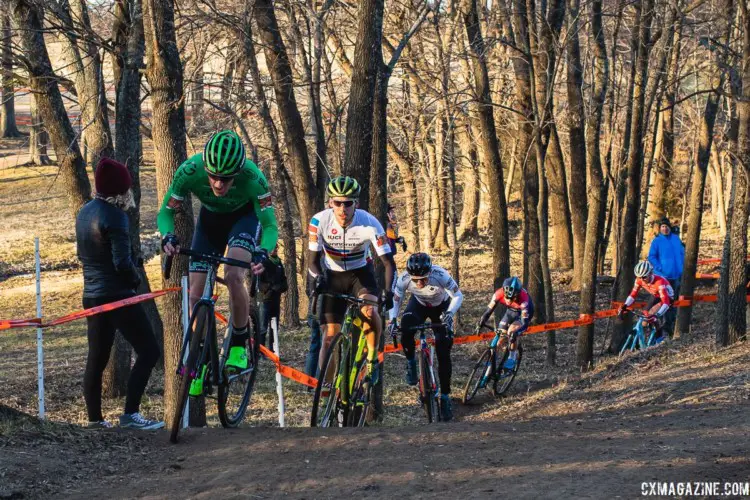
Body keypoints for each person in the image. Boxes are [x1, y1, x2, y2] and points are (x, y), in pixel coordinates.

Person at [159, 130, 278, 392]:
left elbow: (270, 226)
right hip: (210, 223)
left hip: (243, 219)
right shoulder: (189, 170)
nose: (218, 184)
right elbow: (166, 212)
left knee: (234, 275)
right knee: (195, 292)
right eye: (213, 176)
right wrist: (168, 235)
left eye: (225, 179)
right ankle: (199, 358)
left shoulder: (253, 178)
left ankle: (238, 340)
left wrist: (263, 252)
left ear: (238, 172)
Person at [76, 158, 163, 430]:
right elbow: (122, 264)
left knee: (97, 358)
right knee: (149, 351)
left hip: (92, 295)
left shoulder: (84, 212)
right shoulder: (116, 216)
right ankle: (130, 415)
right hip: (118, 296)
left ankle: (95, 420)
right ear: (120, 190)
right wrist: (135, 280)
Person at [308, 176, 397, 388]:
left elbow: (388, 264)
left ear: (355, 203)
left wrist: (388, 292)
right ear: (330, 203)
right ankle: (327, 388)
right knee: (329, 338)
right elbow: (312, 262)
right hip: (332, 276)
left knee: (369, 312)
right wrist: (317, 279)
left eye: (348, 203)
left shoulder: (370, 223)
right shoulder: (319, 221)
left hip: (360, 275)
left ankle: (372, 359)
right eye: (337, 203)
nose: (342, 208)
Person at [388, 253, 463, 421]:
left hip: (441, 307)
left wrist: (450, 313)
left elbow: (458, 295)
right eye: (415, 280)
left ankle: (445, 397)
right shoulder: (404, 278)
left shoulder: (440, 275)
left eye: (423, 279)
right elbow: (396, 299)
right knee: (406, 327)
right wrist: (392, 320)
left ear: (430, 272)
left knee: (444, 351)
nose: (419, 283)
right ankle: (411, 362)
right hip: (419, 305)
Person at [476, 277, 534, 371]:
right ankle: (491, 364)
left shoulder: (524, 301)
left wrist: (516, 333)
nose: (508, 300)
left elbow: (524, 324)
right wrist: (481, 322)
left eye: (512, 298)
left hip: (522, 314)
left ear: (517, 295)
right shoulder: (498, 294)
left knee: (511, 331)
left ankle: (512, 357)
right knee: (500, 336)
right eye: (507, 297)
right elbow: (488, 311)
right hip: (510, 311)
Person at [618, 260, 674, 342]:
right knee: (645, 313)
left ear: (650, 273)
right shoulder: (639, 280)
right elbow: (633, 294)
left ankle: (659, 334)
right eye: (638, 276)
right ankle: (643, 335)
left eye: (644, 277)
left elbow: (666, 302)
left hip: (667, 297)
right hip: (655, 294)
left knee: (652, 313)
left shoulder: (659, 282)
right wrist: (625, 306)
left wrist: (657, 315)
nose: (641, 279)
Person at [647, 217, 684, 337]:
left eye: (666, 227)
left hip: (676, 275)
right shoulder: (657, 241)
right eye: (662, 227)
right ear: (660, 228)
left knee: (673, 302)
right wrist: (660, 268)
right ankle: (659, 326)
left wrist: (682, 266)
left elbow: (682, 253)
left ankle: (670, 324)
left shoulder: (676, 239)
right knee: (663, 301)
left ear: (670, 228)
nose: (665, 229)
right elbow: (651, 257)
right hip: (663, 277)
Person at [257, 245, 288, 352]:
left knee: (274, 326)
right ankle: (261, 351)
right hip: (264, 299)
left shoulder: (279, 263)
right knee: (262, 326)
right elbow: (258, 282)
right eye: (272, 248)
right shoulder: (263, 263)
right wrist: (269, 287)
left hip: (276, 299)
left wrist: (281, 287)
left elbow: (284, 280)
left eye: (276, 248)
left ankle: (273, 351)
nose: (274, 250)